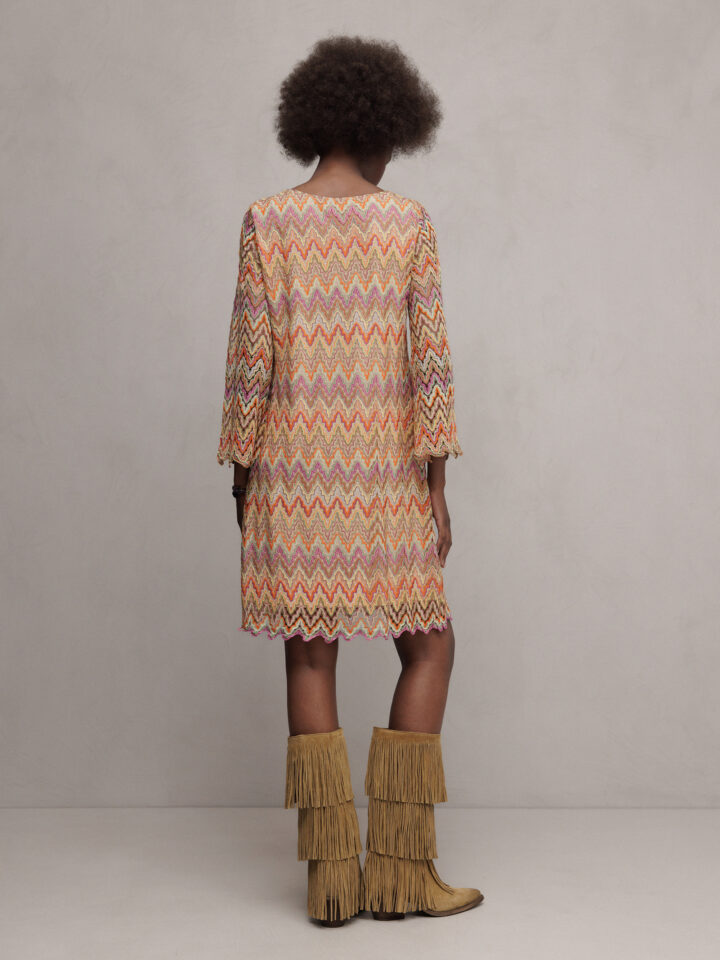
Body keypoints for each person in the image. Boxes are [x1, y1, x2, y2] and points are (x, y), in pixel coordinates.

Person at [217, 35, 483, 926]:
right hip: (386, 480)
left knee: (309, 653)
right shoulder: (407, 224)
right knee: (430, 645)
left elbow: (248, 368)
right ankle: (402, 873)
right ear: (383, 126)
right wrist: (436, 489)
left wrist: (245, 483)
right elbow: (431, 369)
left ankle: (332, 883)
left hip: (290, 478)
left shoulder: (265, 222)